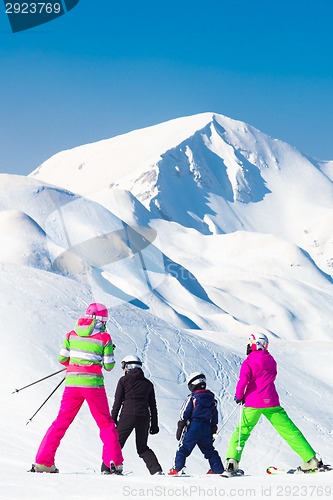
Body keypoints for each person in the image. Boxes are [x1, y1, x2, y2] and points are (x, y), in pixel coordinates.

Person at [30, 302, 123, 474]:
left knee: (61, 422)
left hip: (72, 384)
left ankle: (43, 462)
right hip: (93, 384)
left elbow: (62, 359)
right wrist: (107, 353)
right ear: (101, 321)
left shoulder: (71, 334)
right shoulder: (104, 338)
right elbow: (109, 366)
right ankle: (113, 462)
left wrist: (76, 363)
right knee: (105, 423)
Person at [225, 332, 322, 474]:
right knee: (289, 430)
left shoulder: (248, 362)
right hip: (271, 401)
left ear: (254, 344)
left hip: (253, 403)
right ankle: (310, 460)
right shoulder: (271, 360)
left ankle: (232, 463)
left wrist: (239, 396)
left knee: (242, 432)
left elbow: (243, 381)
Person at [101, 354, 163, 475]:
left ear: (128, 366)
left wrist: (113, 419)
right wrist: (154, 425)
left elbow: (117, 402)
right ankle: (157, 470)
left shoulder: (123, 380)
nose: (123, 369)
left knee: (116, 443)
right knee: (142, 447)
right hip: (144, 417)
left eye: (123, 366)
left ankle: (106, 469)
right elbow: (153, 407)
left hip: (127, 416)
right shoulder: (148, 384)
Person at [168, 372, 224, 475]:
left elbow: (185, 412)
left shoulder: (193, 397)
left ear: (193, 384)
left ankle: (177, 468)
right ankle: (218, 469)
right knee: (209, 450)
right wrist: (213, 428)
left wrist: (180, 426)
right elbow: (215, 414)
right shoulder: (212, 399)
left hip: (194, 426)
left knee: (183, 448)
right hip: (206, 427)